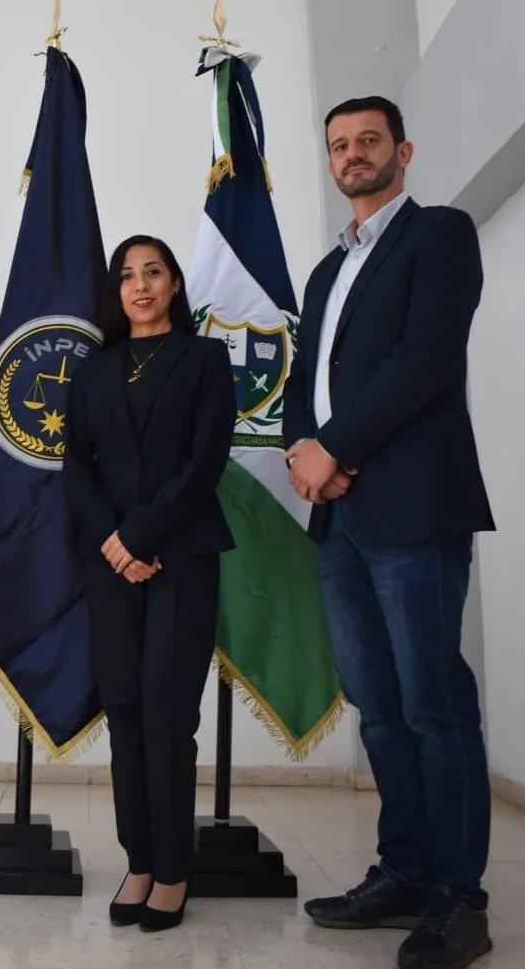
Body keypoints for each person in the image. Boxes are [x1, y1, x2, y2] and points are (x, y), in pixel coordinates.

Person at [282, 96, 494, 969]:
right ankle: (404, 870)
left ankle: (458, 897)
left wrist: (336, 445)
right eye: (340, 145)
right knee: (377, 707)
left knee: (433, 704)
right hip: (338, 514)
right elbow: (306, 376)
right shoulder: (328, 271)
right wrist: (304, 447)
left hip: (413, 505)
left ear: (400, 150)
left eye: (369, 141)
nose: (354, 154)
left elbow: (425, 360)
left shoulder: (441, 235)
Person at [63, 234, 235, 932]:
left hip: (182, 557)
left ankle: (173, 870)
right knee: (126, 708)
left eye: (153, 272)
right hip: (110, 563)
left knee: (168, 713)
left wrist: (143, 537)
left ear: (172, 286)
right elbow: (77, 465)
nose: (140, 285)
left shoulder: (204, 359)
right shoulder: (95, 369)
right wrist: (116, 541)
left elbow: (205, 458)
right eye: (128, 275)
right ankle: (138, 859)